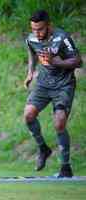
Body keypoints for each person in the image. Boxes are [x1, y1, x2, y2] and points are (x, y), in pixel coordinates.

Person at [24, 10, 82, 177]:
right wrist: (30, 72)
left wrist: (59, 62)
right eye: (34, 29)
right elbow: (31, 53)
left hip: (63, 85)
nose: (37, 33)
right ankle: (43, 148)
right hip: (43, 84)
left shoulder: (62, 38)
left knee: (59, 123)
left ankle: (65, 166)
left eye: (40, 29)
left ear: (49, 25)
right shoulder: (31, 38)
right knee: (28, 115)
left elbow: (78, 61)